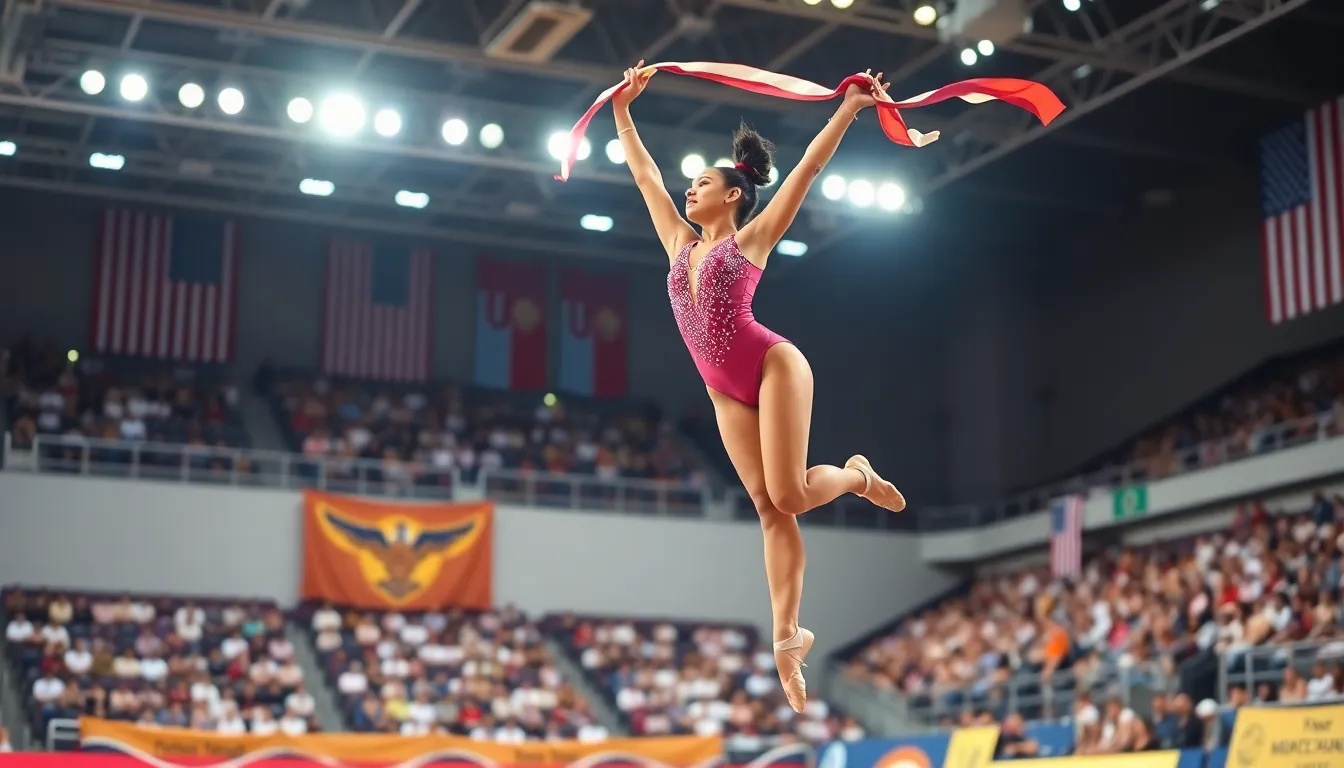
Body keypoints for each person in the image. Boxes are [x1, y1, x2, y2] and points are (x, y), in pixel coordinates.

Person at [611, 60, 906, 712]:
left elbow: (806, 171)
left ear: (734, 195)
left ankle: (856, 475)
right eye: (690, 184)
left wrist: (851, 108)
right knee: (769, 510)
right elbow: (643, 175)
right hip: (725, 394)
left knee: (791, 494)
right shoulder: (677, 247)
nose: (689, 191)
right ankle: (786, 636)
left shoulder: (749, 242)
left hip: (773, 365)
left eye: (703, 183)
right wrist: (623, 113)